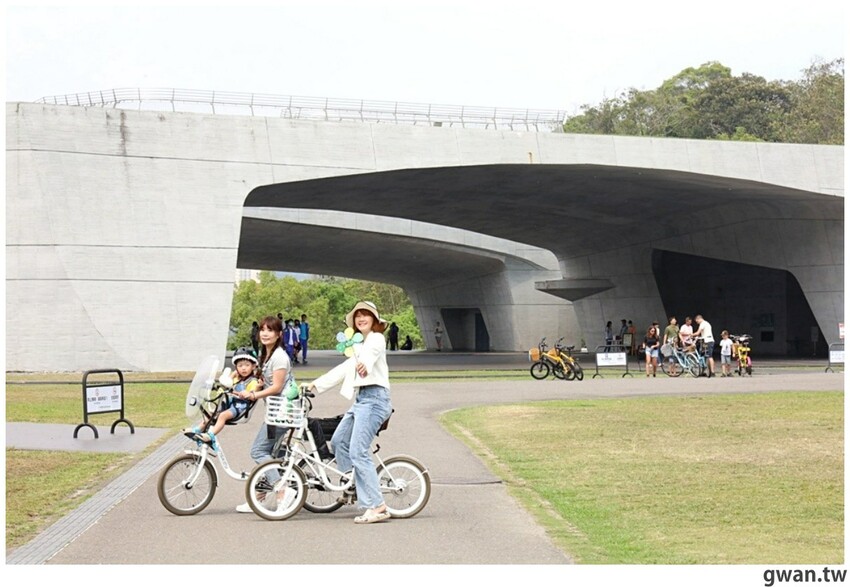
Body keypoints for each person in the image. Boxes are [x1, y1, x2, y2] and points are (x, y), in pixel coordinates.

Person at [308, 301, 393, 524]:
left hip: (375, 399)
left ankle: (378, 506)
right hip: (362, 399)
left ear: (375, 320)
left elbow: (371, 356)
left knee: (358, 451)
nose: (361, 319)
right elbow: (344, 370)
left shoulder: (376, 338)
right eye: (358, 316)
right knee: (338, 442)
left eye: (366, 315)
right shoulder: (357, 347)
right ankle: (355, 486)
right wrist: (314, 386)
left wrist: (364, 364)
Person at [236, 315, 295, 514]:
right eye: (262, 329)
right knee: (273, 456)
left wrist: (253, 394)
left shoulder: (279, 356)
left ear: (279, 334)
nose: (265, 333)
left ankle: (282, 490)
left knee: (259, 452)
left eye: (270, 330)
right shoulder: (266, 355)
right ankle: (259, 497)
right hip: (275, 411)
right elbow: (266, 381)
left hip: (282, 412)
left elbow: (277, 386)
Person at [183, 347, 258, 450]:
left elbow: (253, 394)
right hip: (229, 402)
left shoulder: (252, 381)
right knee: (211, 412)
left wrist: (245, 393)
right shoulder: (236, 378)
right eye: (240, 366)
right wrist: (232, 375)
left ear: (253, 366)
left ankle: (210, 435)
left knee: (222, 415)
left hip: (240, 406)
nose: (243, 368)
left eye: (247, 365)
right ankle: (198, 429)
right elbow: (227, 382)